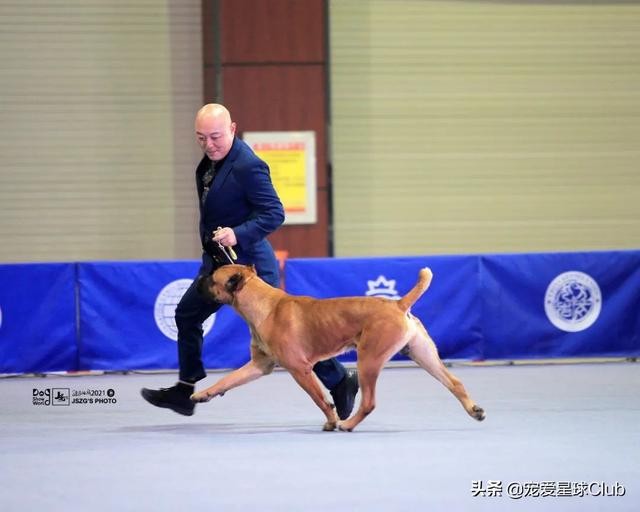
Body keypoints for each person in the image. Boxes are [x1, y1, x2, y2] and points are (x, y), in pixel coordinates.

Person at [141, 104, 359, 419]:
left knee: (286, 340)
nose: (208, 145)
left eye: (215, 137)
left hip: (250, 270)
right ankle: (185, 389)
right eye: (201, 138)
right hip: (218, 265)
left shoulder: (248, 165)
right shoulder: (209, 164)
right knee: (187, 314)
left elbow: (274, 213)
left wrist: (237, 233)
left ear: (232, 129)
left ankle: (340, 380)